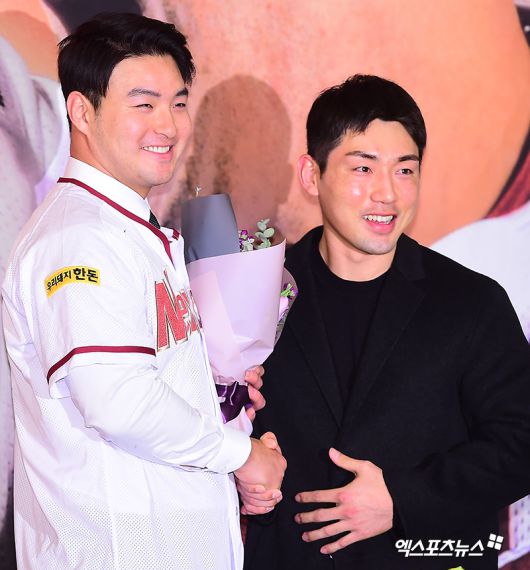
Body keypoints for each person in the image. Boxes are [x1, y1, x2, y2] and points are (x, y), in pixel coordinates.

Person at [1, 12, 285, 570]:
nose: (168, 126)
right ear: (82, 111)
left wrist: (220, 395)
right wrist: (239, 455)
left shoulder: (131, 228)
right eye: (143, 104)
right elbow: (119, 401)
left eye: (178, 103)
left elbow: (147, 381)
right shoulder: (79, 240)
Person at [244, 75, 530, 569]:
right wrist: (239, 466)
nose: (387, 194)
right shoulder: (256, 292)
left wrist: (402, 498)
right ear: (312, 175)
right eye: (363, 168)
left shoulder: (471, 302)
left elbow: (521, 442)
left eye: (405, 170)